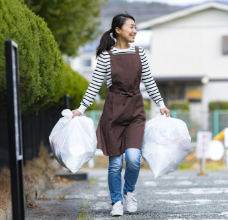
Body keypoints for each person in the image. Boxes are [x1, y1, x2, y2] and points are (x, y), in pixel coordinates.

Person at [72, 13, 170, 216]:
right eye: (131, 27)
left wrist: (160, 104)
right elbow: (94, 86)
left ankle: (129, 193)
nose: (134, 31)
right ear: (118, 30)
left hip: (135, 110)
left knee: (134, 159)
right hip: (113, 113)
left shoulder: (140, 52)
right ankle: (116, 202)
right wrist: (81, 109)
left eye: (136, 27)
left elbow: (149, 82)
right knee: (116, 163)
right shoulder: (106, 57)